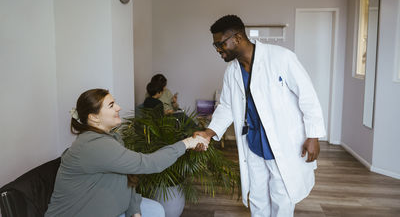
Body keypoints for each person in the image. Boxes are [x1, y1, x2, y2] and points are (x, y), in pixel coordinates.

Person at [195, 15, 326, 217]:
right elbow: (227, 106)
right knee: (257, 197)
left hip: (282, 143)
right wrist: (209, 132)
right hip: (254, 144)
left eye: (220, 44)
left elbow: (307, 96)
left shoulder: (281, 57)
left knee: (281, 197)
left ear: (237, 38)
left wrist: (313, 135)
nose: (219, 50)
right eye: (216, 46)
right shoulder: (232, 71)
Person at [45, 88, 208, 217]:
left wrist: (134, 210)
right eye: (111, 105)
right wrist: (187, 143)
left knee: (156, 210)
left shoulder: (112, 137)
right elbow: (148, 164)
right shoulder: (92, 145)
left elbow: (128, 177)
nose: (119, 107)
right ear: (94, 118)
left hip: (109, 208)